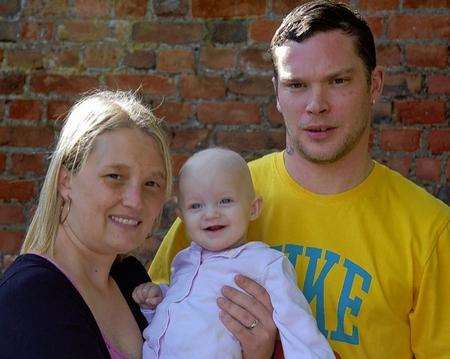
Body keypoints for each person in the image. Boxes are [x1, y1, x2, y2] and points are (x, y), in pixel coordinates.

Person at [148, 1, 450, 358]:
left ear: (374, 85)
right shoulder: (219, 201)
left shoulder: (429, 229)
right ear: (277, 92)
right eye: (297, 85)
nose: (316, 105)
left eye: (338, 81)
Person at [0, 90, 173, 358]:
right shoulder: (31, 297)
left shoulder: (131, 279)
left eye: (151, 183)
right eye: (115, 176)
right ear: (65, 181)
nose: (135, 201)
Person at [133, 148, 334, 358]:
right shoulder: (184, 261)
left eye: (225, 201)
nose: (211, 213)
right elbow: (186, 315)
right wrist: (156, 301)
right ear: (181, 217)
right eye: (196, 205)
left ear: (253, 208)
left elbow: (297, 326)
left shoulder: (264, 263)